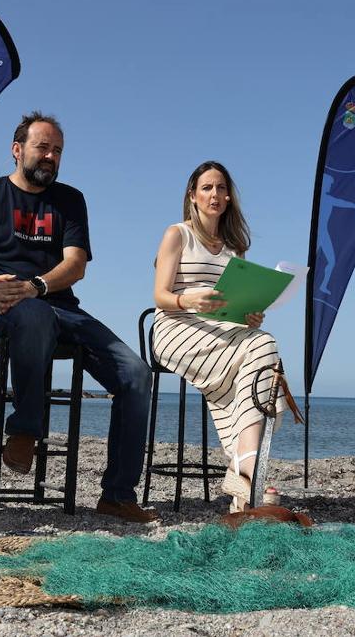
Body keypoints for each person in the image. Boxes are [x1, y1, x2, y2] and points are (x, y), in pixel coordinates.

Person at [0, 112, 157, 523]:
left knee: (136, 373)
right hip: (2, 309)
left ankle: (117, 495)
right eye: (43, 147)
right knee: (34, 316)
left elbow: (76, 264)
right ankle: (26, 427)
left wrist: (38, 286)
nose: (50, 156)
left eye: (57, 150)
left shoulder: (70, 199)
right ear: (17, 149)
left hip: (60, 306)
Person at [151, 161, 299, 513]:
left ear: (229, 197)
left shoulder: (235, 246)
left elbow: (236, 302)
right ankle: (246, 472)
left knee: (263, 340)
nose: (214, 194)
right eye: (206, 188)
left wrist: (251, 313)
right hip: (176, 327)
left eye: (220, 188)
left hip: (224, 331)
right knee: (263, 350)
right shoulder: (177, 234)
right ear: (193, 195)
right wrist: (189, 299)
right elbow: (159, 295)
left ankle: (242, 476)